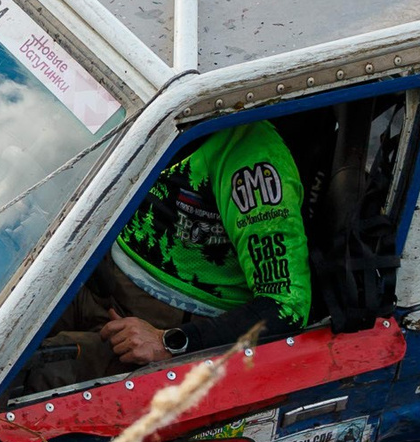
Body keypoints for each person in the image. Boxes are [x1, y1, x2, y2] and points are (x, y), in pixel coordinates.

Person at [34, 120, 311, 384]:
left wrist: (169, 341)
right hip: (97, 276)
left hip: (163, 321)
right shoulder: (149, 107)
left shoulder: (253, 161)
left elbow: (287, 306)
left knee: (39, 373)